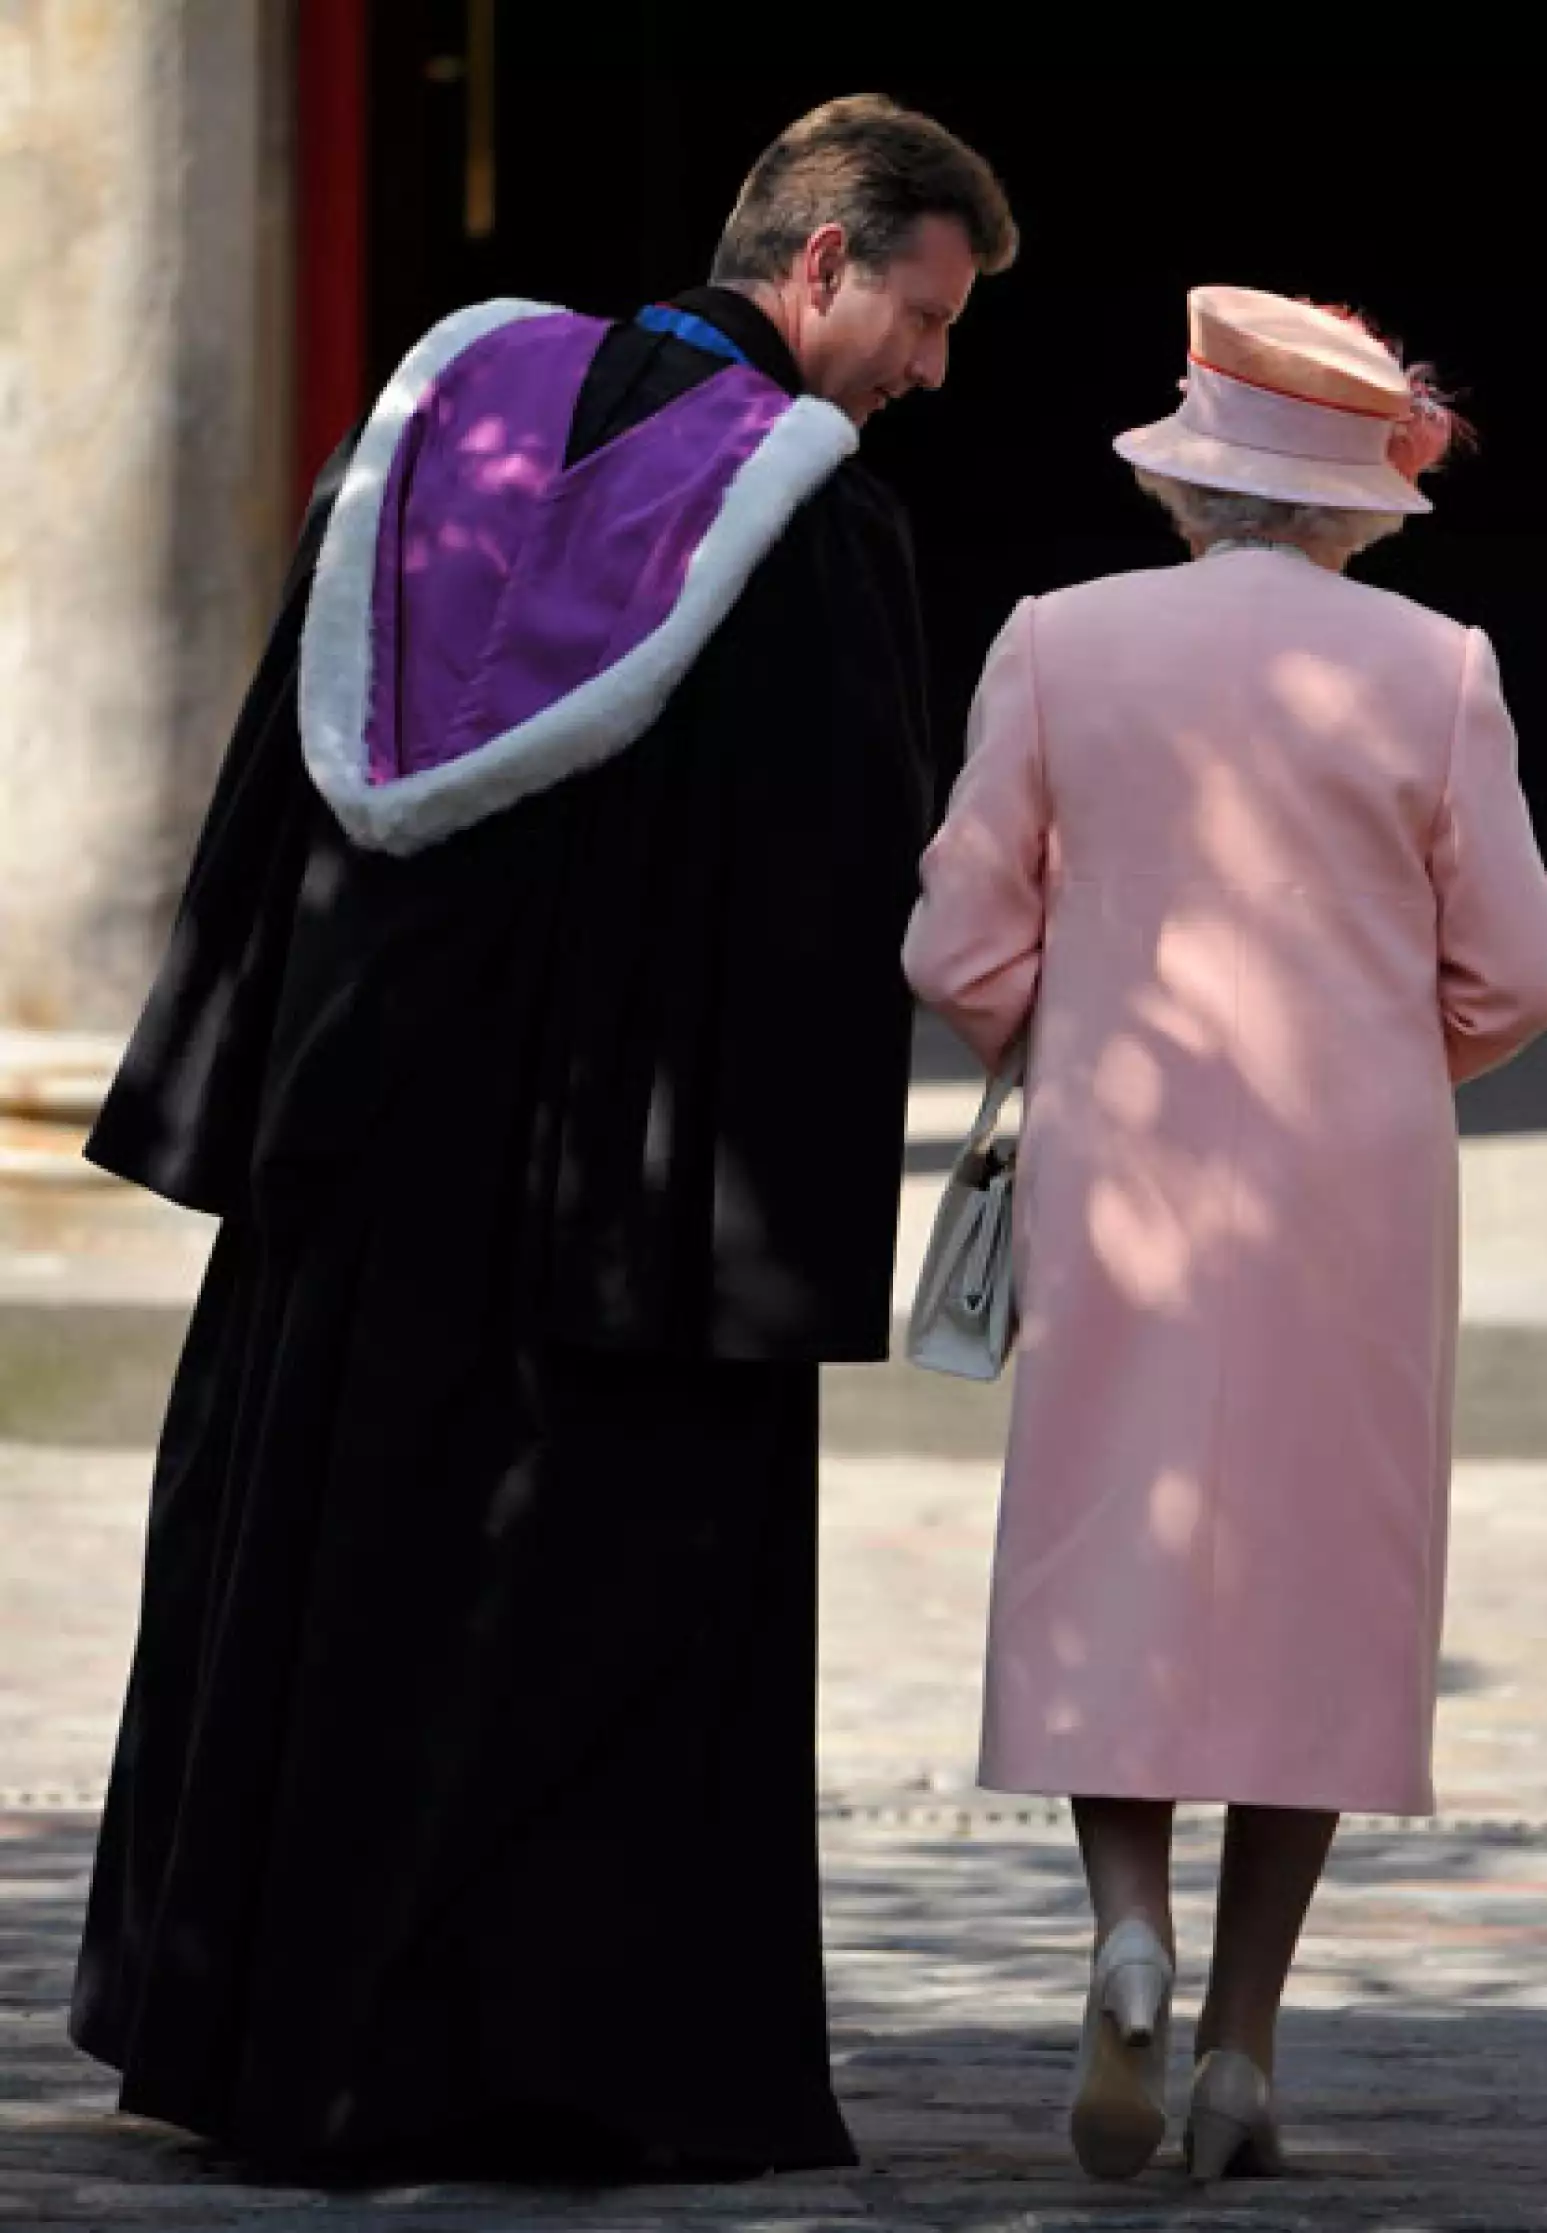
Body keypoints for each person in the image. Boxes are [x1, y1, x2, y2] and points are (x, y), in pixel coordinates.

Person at [70, 94, 1017, 2182]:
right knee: (557, 1628)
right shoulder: (805, 526)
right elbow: (821, 895)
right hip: (599, 1222)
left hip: (351, 1173)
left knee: (319, 1588)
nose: (933, 374)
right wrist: (768, 1232)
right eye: (928, 319)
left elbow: (280, 794)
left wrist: (253, 1087)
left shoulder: (439, 426)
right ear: (823, 264)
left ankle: (249, 2042)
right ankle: (526, 2076)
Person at [903, 285, 1547, 2184]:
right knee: (1325, 1579)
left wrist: (1068, 1036)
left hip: (1127, 1152)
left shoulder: (1057, 639)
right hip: (1355, 1176)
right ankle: (1245, 2050)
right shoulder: (1440, 667)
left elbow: (958, 944)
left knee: (1111, 1533)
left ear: (1187, 482)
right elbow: (1521, 970)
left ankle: (1127, 1929)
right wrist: (1384, 1054)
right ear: (1357, 501)